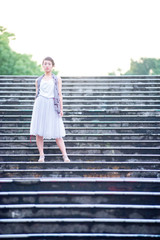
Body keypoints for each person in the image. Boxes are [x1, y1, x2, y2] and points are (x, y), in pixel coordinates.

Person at [30, 56, 70, 163]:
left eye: (49, 64)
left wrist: (61, 108)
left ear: (52, 66)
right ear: (42, 65)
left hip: (52, 104)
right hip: (40, 104)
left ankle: (65, 155)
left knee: (57, 132)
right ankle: (41, 155)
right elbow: (36, 94)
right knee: (39, 132)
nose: (47, 66)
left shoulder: (57, 79)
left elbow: (59, 94)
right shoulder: (38, 80)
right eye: (45, 64)